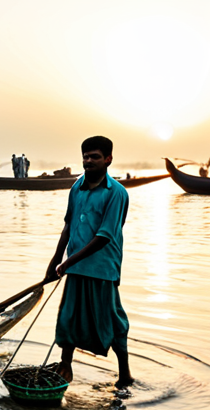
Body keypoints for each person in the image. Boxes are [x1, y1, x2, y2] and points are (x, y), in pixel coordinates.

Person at [44, 135, 133, 389]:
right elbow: (68, 226)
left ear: (108, 159)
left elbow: (105, 236)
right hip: (75, 266)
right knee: (68, 318)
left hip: (102, 268)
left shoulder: (116, 193)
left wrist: (68, 261)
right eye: (85, 156)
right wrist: (55, 260)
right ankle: (65, 365)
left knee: (112, 321)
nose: (88, 161)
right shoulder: (77, 187)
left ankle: (125, 374)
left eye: (94, 156)